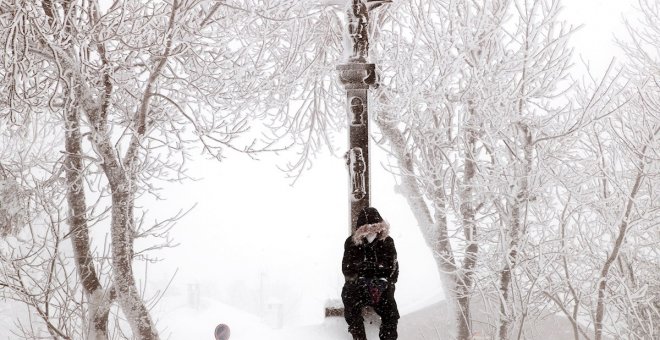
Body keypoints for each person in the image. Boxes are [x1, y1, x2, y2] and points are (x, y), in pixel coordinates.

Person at [342, 207, 399, 340]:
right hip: (358, 288)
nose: (372, 234)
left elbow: (394, 270)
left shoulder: (388, 242)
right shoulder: (351, 243)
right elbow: (347, 269)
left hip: (382, 288)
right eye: (367, 231)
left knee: (390, 312)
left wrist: (382, 282)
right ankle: (359, 337)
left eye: (375, 229)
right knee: (350, 300)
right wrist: (361, 279)